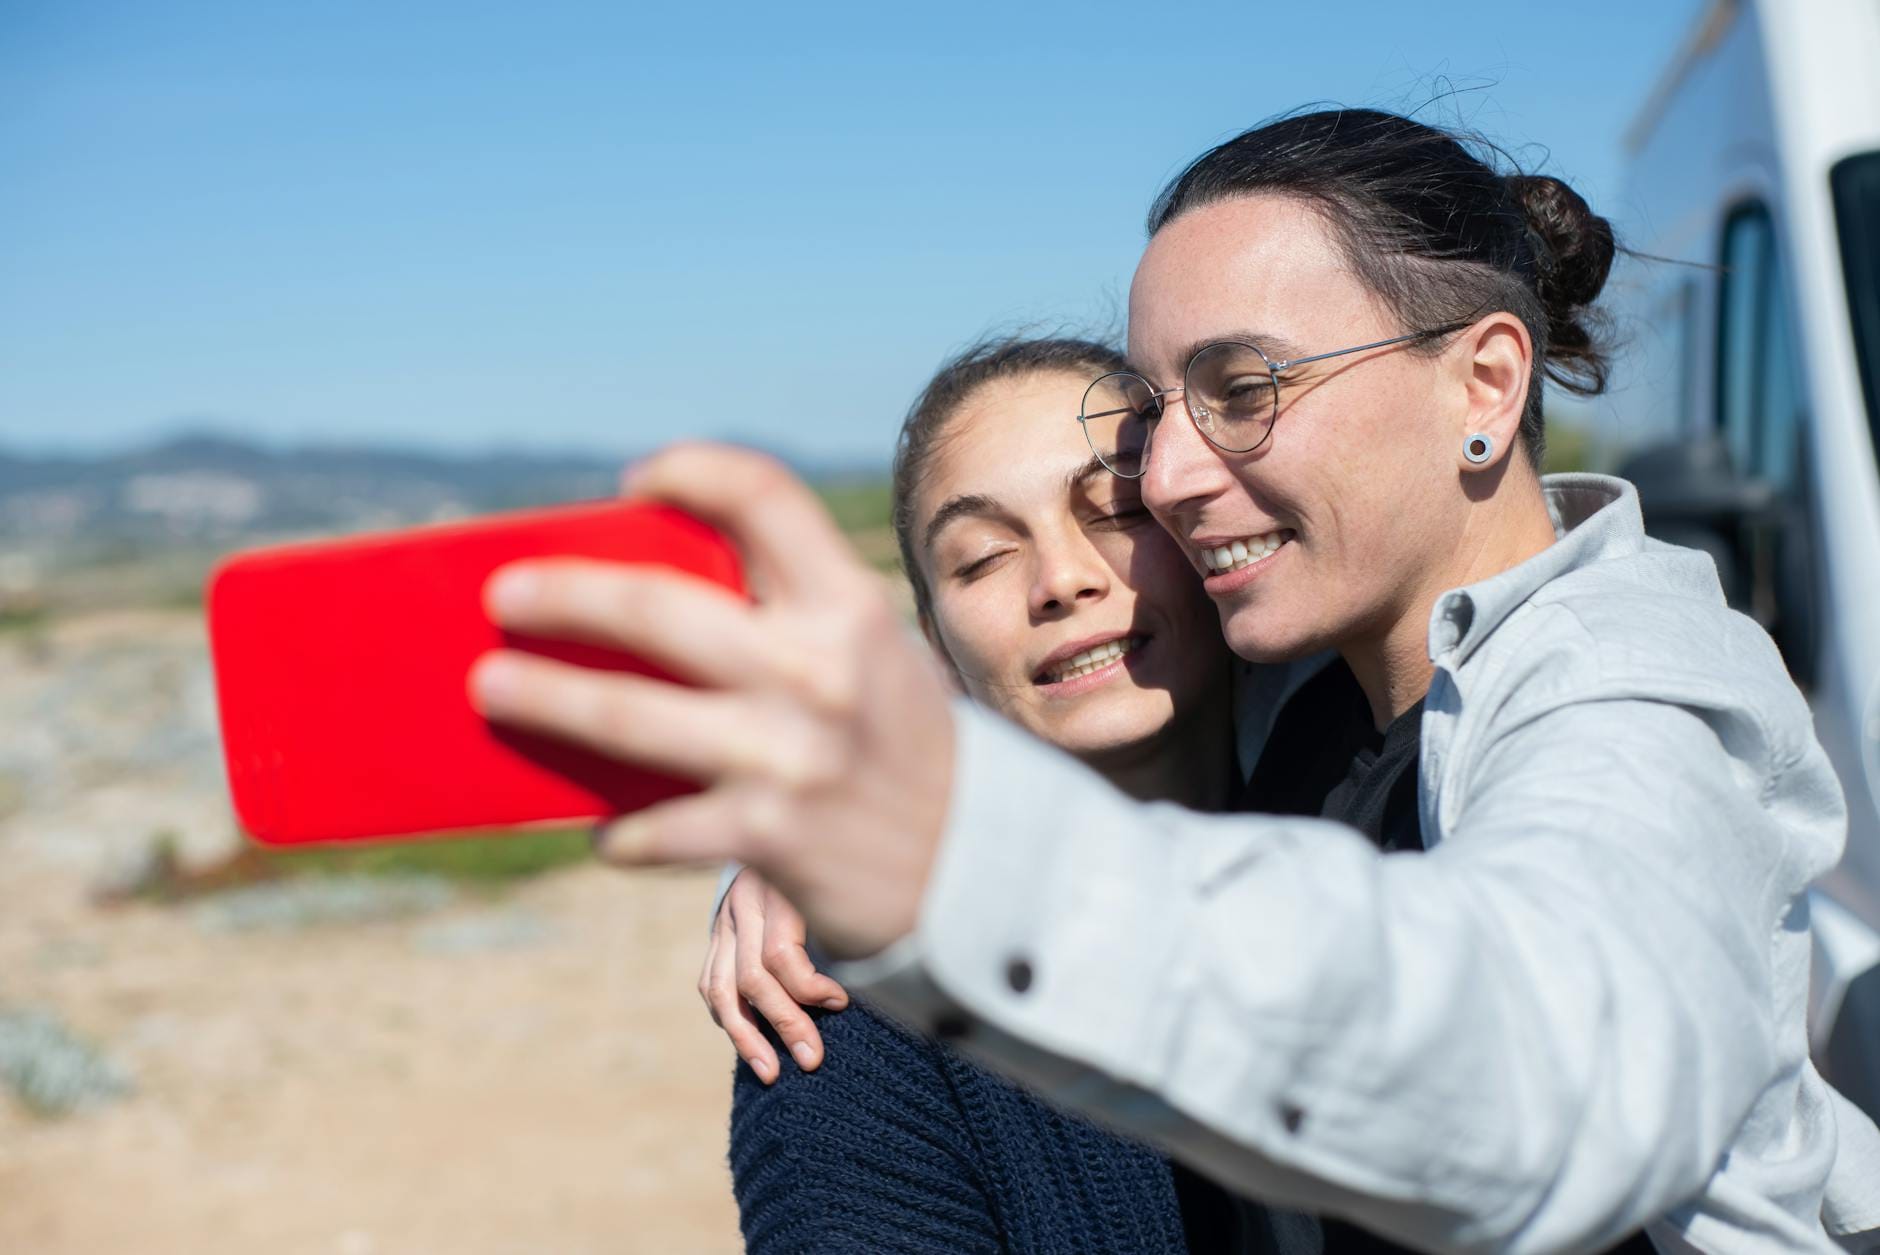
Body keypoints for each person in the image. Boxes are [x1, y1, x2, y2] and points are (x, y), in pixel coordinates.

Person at [467, 108, 1880, 1251]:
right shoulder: (1331, 682)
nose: (1175, 475)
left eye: (1246, 389)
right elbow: (1082, 675)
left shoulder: (1626, 690)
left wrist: (945, 848)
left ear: (1487, 384)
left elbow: (1551, 1062)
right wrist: (830, 823)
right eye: (1160, 414)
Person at [722, 335, 1237, 1252]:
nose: (1062, 580)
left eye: (1117, 509)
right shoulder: (857, 1021)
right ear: (937, 643)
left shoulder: (1414, 810)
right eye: (982, 557)